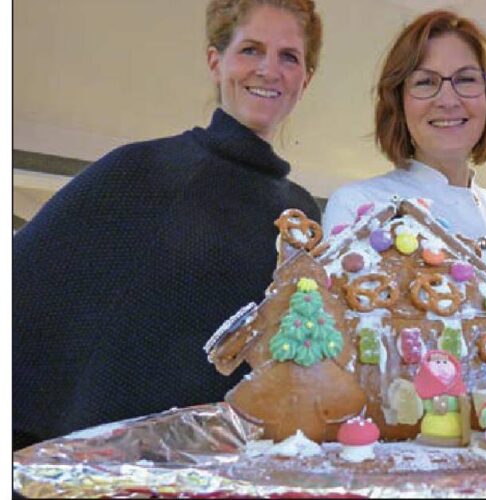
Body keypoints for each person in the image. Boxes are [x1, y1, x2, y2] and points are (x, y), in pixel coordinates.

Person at [13, 0, 323, 449]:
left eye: (288, 56)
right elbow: (26, 291)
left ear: (305, 80)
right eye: (251, 50)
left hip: (234, 465)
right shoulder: (142, 170)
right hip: (117, 465)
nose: (269, 70)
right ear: (216, 61)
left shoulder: (300, 215)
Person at [322, 10, 486, 260]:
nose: (448, 100)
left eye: (466, 79)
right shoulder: (360, 205)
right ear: (398, 102)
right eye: (425, 82)